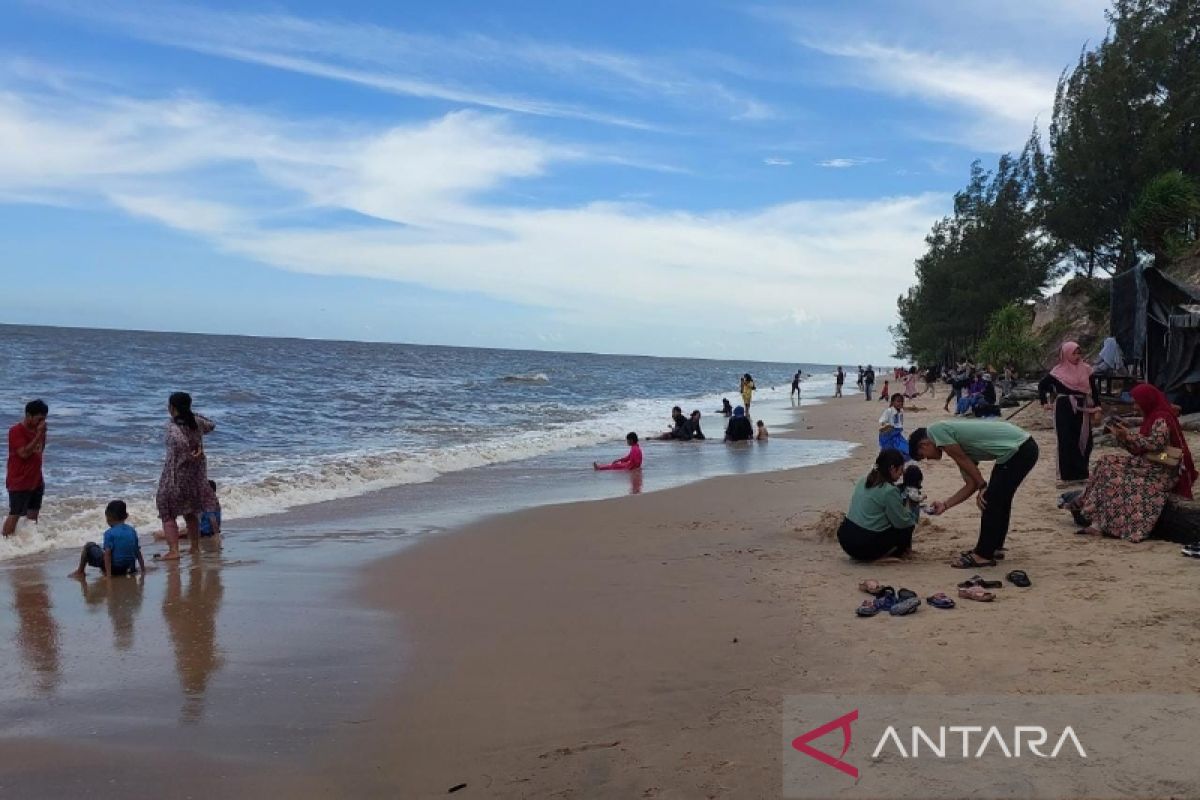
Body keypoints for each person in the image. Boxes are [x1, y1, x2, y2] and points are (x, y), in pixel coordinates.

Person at [1065, 385, 1197, 541]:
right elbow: (1140, 449)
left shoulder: (1161, 417)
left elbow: (1156, 445)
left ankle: (1094, 519)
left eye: (1137, 403)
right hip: (1150, 462)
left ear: (1147, 401)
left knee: (1112, 473)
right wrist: (1122, 437)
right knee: (1105, 461)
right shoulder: (1152, 416)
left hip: (1162, 467)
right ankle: (1092, 513)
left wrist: (1129, 435)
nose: (1135, 406)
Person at [909, 419, 1039, 568]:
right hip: (1016, 450)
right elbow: (971, 484)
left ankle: (983, 555)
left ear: (924, 444)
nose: (928, 459)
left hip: (1020, 449)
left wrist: (983, 487)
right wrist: (945, 505)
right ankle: (993, 547)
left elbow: (966, 464)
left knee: (990, 499)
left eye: (924, 455)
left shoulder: (935, 431)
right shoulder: (957, 445)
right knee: (999, 498)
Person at [156, 392, 219, 561]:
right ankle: (194, 547)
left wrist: (190, 455)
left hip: (175, 475)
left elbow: (179, 442)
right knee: (190, 511)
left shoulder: (172, 426)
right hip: (195, 477)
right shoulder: (196, 423)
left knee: (166, 510)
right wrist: (193, 414)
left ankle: (174, 550)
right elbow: (212, 425)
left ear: (172, 408)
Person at [837, 448, 917, 562]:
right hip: (864, 545)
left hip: (845, 538)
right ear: (892, 469)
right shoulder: (889, 491)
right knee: (908, 525)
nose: (902, 473)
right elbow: (902, 522)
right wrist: (911, 507)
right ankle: (895, 554)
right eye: (901, 469)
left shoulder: (863, 480)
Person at [1038, 342, 1101, 483]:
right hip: (1063, 407)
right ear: (1066, 354)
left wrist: (1097, 408)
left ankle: (1081, 473)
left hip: (1081, 406)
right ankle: (1066, 476)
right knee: (1065, 439)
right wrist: (1044, 403)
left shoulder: (1086, 369)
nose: (1078, 356)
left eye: (1079, 353)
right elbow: (1042, 385)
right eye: (1074, 353)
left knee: (1085, 440)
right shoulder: (1057, 372)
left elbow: (1094, 391)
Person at [69, 500, 145, 579]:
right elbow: (137, 552)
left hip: (114, 569)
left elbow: (107, 555)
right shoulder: (132, 531)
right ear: (126, 516)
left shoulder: (109, 533)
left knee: (89, 546)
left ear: (108, 517)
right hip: (128, 568)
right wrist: (143, 569)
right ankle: (110, 570)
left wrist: (109, 576)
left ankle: (80, 571)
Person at [5, 399, 49, 537]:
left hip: (36, 479)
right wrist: (39, 434)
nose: (41, 422)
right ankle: (6, 543)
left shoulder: (38, 431)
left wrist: (41, 433)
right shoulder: (16, 431)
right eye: (39, 419)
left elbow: (40, 450)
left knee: (33, 516)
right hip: (19, 480)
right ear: (28, 416)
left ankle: (30, 545)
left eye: (44, 419)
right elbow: (23, 453)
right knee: (15, 514)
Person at [199, 480, 222, 546]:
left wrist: (216, 536)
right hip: (210, 530)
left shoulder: (208, 503)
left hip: (206, 532)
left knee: (184, 532)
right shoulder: (215, 501)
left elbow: (213, 519)